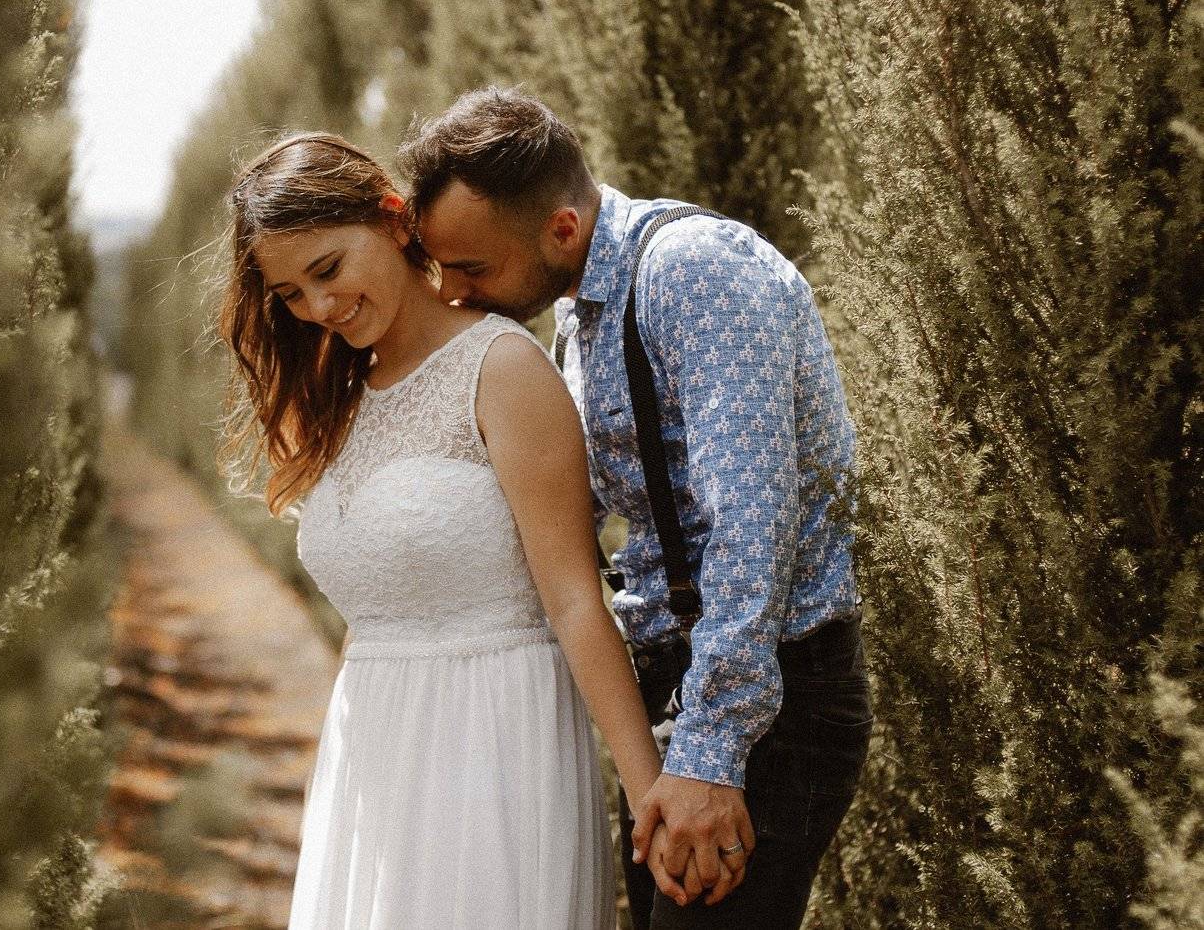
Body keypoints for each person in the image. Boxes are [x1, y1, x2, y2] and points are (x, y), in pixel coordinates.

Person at [398, 86, 873, 930]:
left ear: (562, 229)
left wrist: (711, 755)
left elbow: (750, 530)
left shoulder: (694, 272)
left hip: (768, 706)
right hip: (678, 698)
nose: (457, 294)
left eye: (473, 269)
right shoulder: (577, 315)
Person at [218, 131, 671, 929]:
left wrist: (650, 799)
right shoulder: (340, 398)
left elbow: (575, 599)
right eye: (290, 293)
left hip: (497, 746)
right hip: (373, 756)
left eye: (328, 268)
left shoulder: (502, 367)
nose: (319, 307)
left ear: (394, 219)